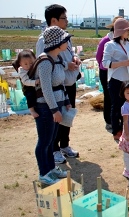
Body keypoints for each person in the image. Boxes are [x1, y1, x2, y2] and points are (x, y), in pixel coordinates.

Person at [36, 4, 80, 164]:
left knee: (67, 115)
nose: (67, 21)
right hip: (56, 84)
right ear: (53, 20)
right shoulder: (44, 40)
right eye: (64, 18)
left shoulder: (65, 38)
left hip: (67, 82)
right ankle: (54, 149)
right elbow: (45, 61)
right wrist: (65, 65)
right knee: (56, 118)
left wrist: (74, 59)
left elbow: (71, 53)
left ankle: (65, 145)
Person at [34, 26, 70, 184]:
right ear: (58, 42)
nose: (68, 42)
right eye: (65, 39)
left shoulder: (58, 58)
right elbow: (46, 88)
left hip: (57, 104)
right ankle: (44, 172)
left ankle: (51, 168)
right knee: (44, 141)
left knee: (51, 139)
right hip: (46, 108)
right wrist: (54, 109)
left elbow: (61, 83)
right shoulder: (45, 62)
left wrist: (66, 100)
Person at [102, 18, 129, 142]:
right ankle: (116, 130)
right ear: (120, 31)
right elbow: (105, 63)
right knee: (116, 106)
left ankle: (127, 128)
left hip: (128, 79)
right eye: (127, 30)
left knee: (128, 105)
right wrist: (122, 63)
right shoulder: (110, 45)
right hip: (116, 80)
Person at [96, 16, 122, 132]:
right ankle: (109, 121)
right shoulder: (106, 41)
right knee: (109, 96)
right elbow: (98, 57)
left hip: (119, 71)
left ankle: (119, 118)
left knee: (119, 96)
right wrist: (107, 66)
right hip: (106, 72)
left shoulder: (123, 41)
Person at [12, 50, 40, 117]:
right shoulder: (22, 71)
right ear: (20, 64)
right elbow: (25, 81)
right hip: (27, 87)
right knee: (30, 96)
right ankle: (32, 110)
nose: (28, 66)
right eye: (25, 64)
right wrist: (35, 82)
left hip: (34, 85)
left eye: (31, 63)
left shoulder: (36, 67)